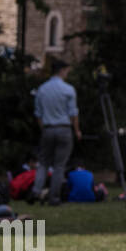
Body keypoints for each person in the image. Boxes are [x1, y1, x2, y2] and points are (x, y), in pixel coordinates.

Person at [31, 59, 80, 206]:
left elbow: (38, 114)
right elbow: (73, 113)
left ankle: (36, 191)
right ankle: (54, 197)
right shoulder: (68, 89)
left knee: (43, 163)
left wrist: (44, 128)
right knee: (59, 165)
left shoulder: (42, 89)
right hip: (64, 128)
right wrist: (77, 130)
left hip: (47, 128)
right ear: (62, 71)